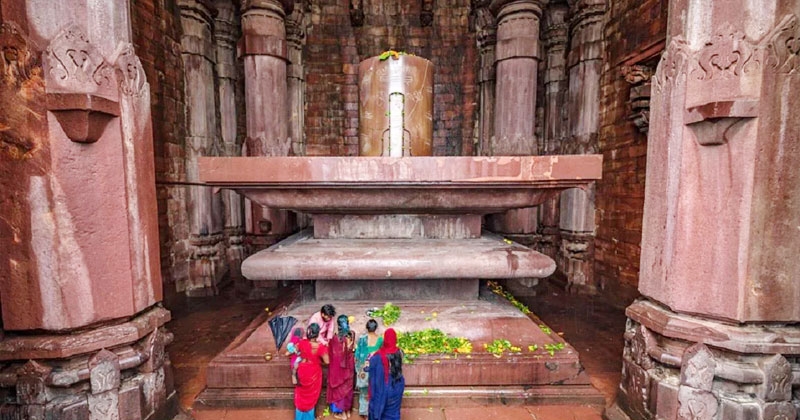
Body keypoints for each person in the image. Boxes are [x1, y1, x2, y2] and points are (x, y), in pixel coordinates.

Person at [294, 323, 329, 420]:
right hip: (313, 372)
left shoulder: (301, 343)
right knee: (311, 396)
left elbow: (295, 350)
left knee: (301, 394)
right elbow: (327, 361)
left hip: (302, 370)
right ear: (317, 334)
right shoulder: (320, 347)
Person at [367, 328, 404, 420]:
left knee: (380, 410)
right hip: (397, 385)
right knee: (393, 412)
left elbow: (373, 377)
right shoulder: (399, 352)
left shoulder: (377, 356)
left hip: (383, 387)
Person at [327, 315, 356, 419]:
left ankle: (340, 412)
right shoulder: (351, 335)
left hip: (337, 368)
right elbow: (351, 350)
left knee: (339, 389)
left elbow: (331, 353)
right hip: (349, 366)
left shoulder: (335, 338)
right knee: (348, 388)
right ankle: (347, 411)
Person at [355, 319, 383, 418]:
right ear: (376, 328)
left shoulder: (362, 339)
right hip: (375, 369)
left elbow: (357, 355)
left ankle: (364, 412)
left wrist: (358, 369)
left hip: (363, 368)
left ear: (367, 327)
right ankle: (373, 412)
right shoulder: (380, 340)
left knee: (364, 392)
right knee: (374, 391)